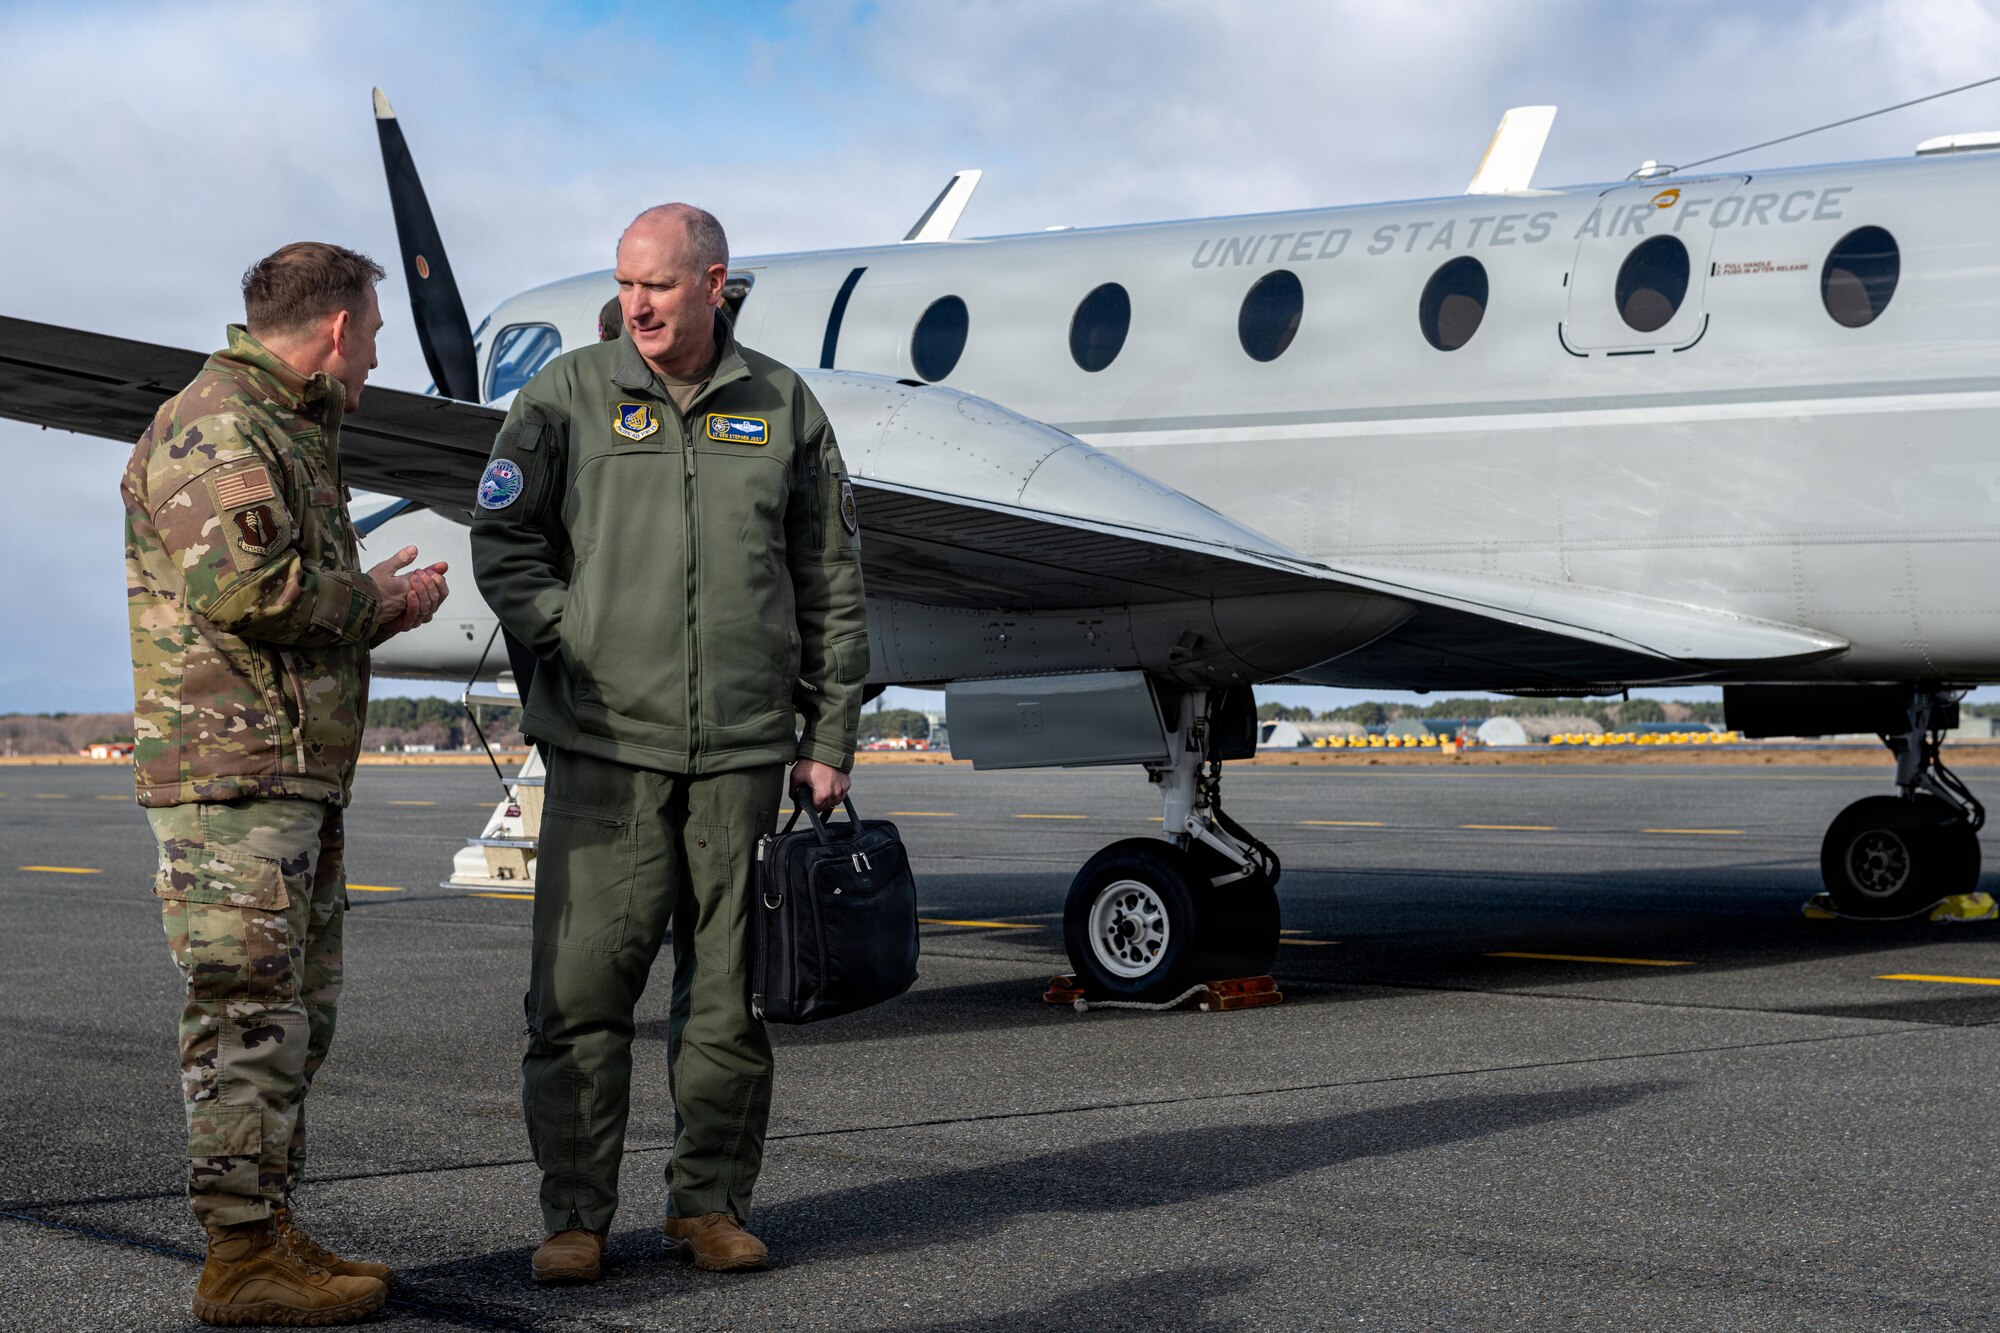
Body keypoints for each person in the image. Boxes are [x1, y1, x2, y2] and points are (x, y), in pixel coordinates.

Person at [470, 203, 867, 1284]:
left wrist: (828, 730)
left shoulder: (782, 403)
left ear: (713, 284)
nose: (636, 303)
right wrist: (570, 634)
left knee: (724, 997)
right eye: (625, 283)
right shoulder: (564, 394)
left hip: (740, 751)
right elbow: (502, 540)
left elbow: (831, 581)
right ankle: (574, 1218)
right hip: (605, 747)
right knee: (580, 994)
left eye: (657, 284)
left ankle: (709, 1205)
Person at [123, 241, 449, 1325]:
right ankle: (237, 1259)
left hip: (285, 771)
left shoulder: (285, 428)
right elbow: (247, 584)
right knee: (246, 1016)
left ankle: (265, 1225)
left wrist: (360, 589)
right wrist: (380, 608)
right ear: (343, 327)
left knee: (292, 1013)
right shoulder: (223, 425)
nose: (374, 364)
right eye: (376, 338)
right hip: (232, 780)